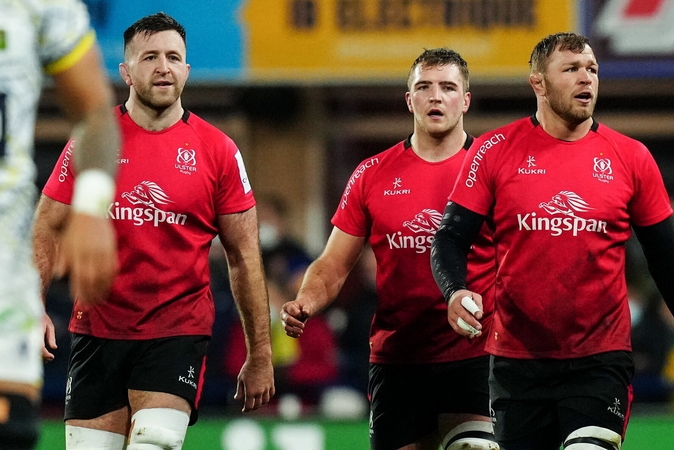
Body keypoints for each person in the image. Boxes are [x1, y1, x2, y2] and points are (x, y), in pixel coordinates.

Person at [430, 32, 674, 450]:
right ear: (539, 83)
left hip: (600, 361)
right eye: (571, 69)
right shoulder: (494, 150)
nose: (586, 78)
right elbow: (451, 238)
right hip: (516, 362)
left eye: (592, 69)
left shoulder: (631, 157)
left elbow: (667, 257)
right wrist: (455, 291)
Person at [32, 12, 275, 450]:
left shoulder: (217, 150)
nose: (163, 66)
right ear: (126, 71)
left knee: (153, 445)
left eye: (173, 57)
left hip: (176, 332)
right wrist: (34, 304)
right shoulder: (94, 139)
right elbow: (47, 227)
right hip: (97, 330)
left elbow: (244, 257)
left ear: (186, 69)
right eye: (149, 57)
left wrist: (260, 354)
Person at [282, 48, 499, 450]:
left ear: (465, 100)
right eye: (424, 87)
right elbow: (333, 264)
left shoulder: (494, 169)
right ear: (409, 99)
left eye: (448, 87)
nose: (436, 97)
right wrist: (306, 302)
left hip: (476, 352)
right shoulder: (371, 174)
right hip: (399, 359)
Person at [0, 1, 120, 448]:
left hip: (4, 275)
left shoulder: (41, 5)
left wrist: (90, 207)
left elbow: (93, 111)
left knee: (12, 434)